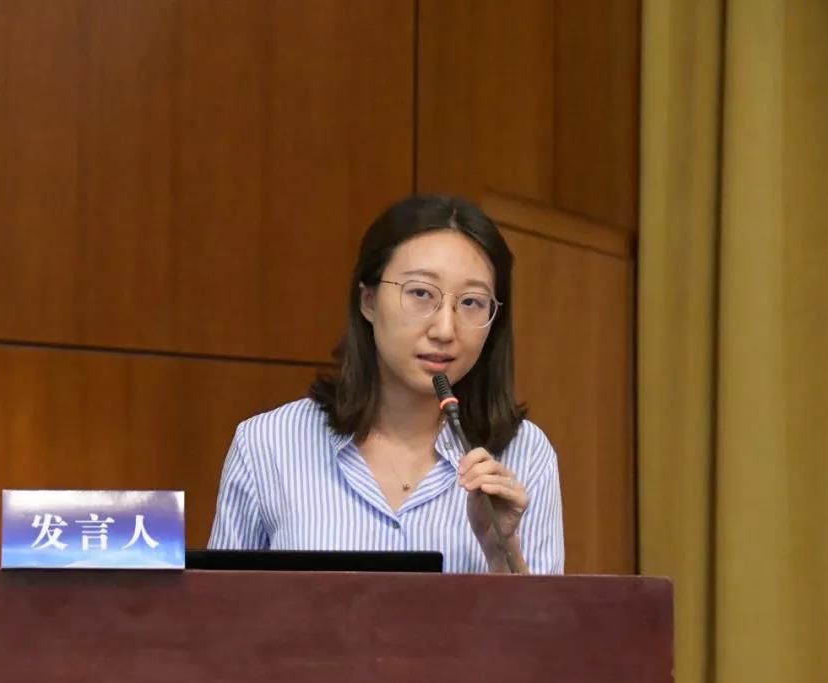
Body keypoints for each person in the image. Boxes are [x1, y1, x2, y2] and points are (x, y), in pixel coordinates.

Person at [207, 194, 564, 574]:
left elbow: (547, 615)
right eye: (421, 293)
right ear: (369, 301)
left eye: (472, 302)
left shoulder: (526, 455)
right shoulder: (267, 444)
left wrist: (501, 552)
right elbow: (219, 606)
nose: (445, 329)